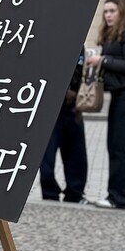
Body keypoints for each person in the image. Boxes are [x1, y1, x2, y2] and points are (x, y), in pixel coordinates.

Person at [86, 0, 125, 210]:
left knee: (120, 148)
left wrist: (103, 60)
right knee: (115, 146)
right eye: (105, 11)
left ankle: (120, 199)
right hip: (122, 96)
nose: (108, 15)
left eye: (112, 11)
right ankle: (116, 196)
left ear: (122, 11)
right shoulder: (118, 33)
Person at [39, 48, 87, 203]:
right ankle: (50, 192)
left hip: (72, 107)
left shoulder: (79, 44)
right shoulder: (49, 40)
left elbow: (80, 71)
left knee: (76, 154)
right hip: (50, 108)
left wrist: (77, 93)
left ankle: (75, 193)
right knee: (47, 157)